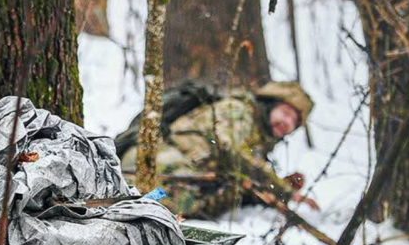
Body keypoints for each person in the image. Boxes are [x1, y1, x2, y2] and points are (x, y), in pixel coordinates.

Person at [114, 79, 316, 219]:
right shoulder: (239, 111)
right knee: (175, 199)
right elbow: (229, 151)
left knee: (199, 198)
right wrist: (282, 189)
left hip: (178, 171)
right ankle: (122, 203)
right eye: (286, 112)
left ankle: (132, 201)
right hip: (161, 158)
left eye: (295, 121)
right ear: (270, 103)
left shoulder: (257, 135)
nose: (287, 123)